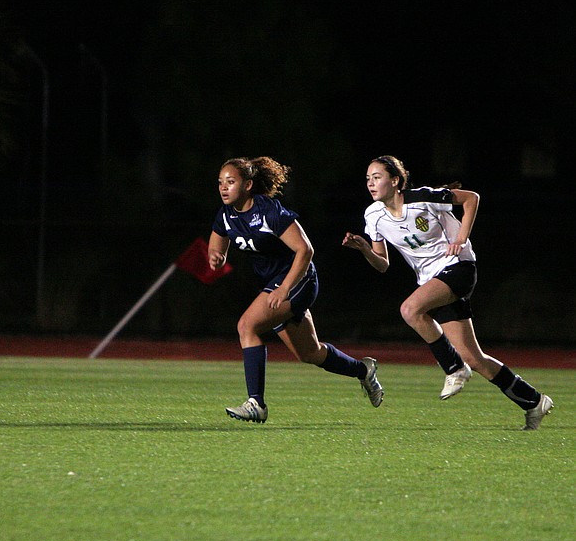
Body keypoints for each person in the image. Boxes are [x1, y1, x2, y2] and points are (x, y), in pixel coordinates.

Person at [342, 155, 553, 430]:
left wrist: (461, 238)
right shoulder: (373, 216)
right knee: (475, 358)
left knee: (410, 309)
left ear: (395, 181)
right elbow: (382, 265)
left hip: (459, 267)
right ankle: (533, 401)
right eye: (368, 178)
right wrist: (364, 249)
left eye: (377, 177)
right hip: (433, 281)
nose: (371, 183)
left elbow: (471, 198)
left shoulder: (423, 198)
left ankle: (453, 368)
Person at [208, 156, 383, 423]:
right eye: (221, 182)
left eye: (231, 182)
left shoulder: (269, 212)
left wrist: (284, 288)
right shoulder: (226, 215)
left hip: (298, 280)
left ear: (248, 185)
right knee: (310, 353)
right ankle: (363, 371)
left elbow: (306, 250)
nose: (223, 187)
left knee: (247, 326)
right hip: (274, 285)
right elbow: (217, 245)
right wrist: (216, 257)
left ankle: (256, 402)